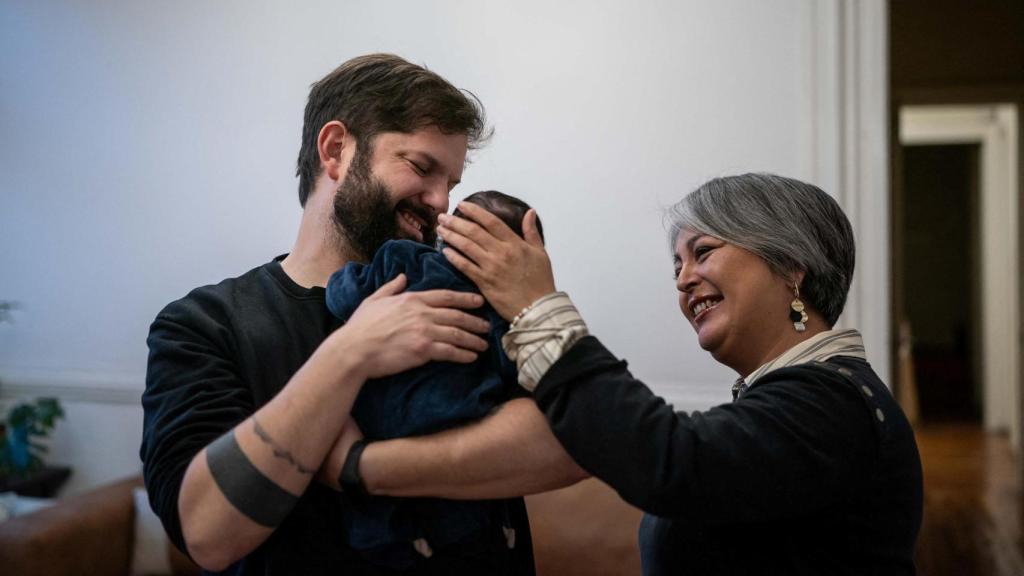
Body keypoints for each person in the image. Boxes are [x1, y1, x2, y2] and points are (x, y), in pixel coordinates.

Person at [140, 54, 583, 575]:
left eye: (452, 183)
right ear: (335, 150)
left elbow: (581, 438)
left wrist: (358, 467)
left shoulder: (475, 289)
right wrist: (349, 354)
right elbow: (209, 534)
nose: (442, 202)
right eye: (421, 167)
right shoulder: (203, 325)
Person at [429, 172, 924, 575]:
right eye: (677, 266)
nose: (684, 279)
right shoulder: (808, 395)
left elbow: (669, 461)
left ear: (792, 267)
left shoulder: (831, 405)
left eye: (704, 252)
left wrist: (536, 307)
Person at [324, 191, 545, 569]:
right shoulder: (501, 310)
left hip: (385, 422)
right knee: (464, 518)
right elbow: (520, 373)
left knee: (377, 520)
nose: (440, 201)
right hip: (458, 422)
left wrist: (350, 304)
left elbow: (343, 294)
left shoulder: (402, 258)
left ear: (448, 234)